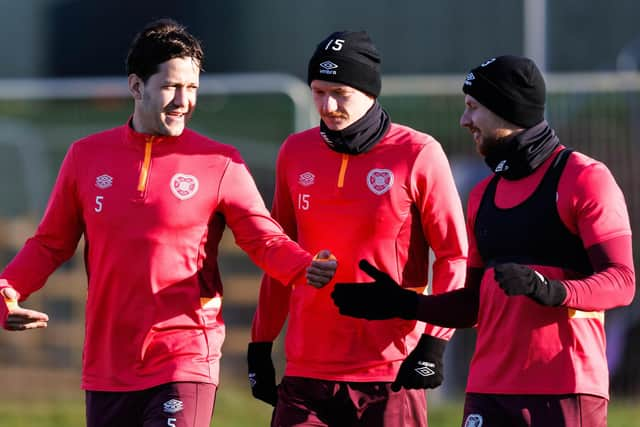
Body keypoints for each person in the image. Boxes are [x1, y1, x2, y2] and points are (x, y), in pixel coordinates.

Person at [0, 18, 336, 427]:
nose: (183, 100)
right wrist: (8, 289)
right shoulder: (85, 157)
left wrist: (303, 267)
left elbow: (262, 238)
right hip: (108, 365)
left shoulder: (220, 162)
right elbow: (50, 243)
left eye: (192, 88)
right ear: (136, 86)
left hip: (185, 355)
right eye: (171, 86)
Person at [332, 55, 636, 427]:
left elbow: (621, 282)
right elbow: (472, 306)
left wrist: (551, 290)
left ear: (506, 109)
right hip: (488, 391)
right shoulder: (482, 195)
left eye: (473, 108)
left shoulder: (585, 178)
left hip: (564, 388)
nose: (464, 121)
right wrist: (404, 303)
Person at [247, 30, 468, 427]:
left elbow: (454, 254)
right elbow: (280, 252)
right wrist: (260, 345)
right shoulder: (295, 152)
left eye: (340, 93)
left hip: (388, 368)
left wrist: (434, 342)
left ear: (369, 91)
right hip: (306, 369)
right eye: (317, 92)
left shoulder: (418, 153)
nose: (327, 105)